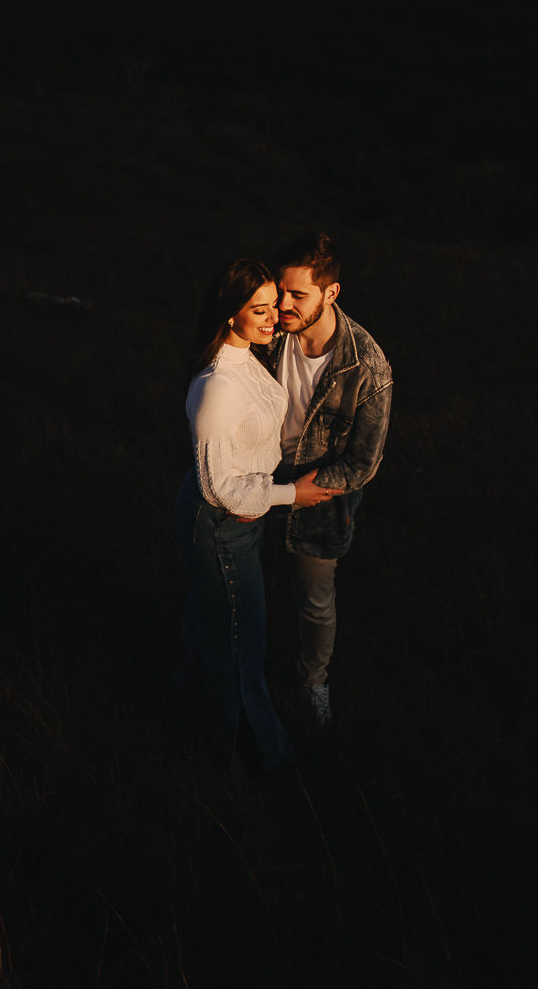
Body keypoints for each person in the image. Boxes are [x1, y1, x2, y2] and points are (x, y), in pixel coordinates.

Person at [174, 258, 340, 776]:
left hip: (243, 515)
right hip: (221, 523)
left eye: (275, 306)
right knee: (241, 646)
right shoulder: (217, 387)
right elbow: (219, 487)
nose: (274, 319)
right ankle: (263, 761)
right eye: (260, 310)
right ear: (231, 314)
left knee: (211, 626)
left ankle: (187, 719)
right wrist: (292, 494)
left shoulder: (248, 354)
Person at [261, 233, 393, 729]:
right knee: (246, 582)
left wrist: (301, 492)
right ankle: (241, 662)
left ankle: (312, 680)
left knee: (315, 603)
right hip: (254, 478)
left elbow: (363, 462)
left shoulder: (367, 367)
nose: (283, 306)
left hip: (317, 501)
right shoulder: (269, 331)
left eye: (298, 295)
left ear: (331, 293)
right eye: (280, 291)